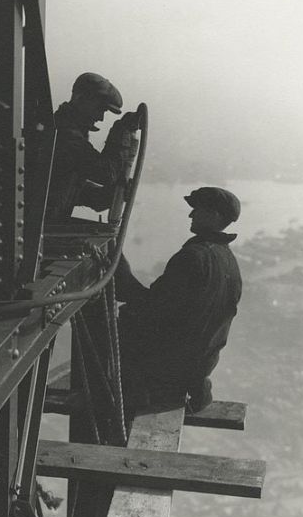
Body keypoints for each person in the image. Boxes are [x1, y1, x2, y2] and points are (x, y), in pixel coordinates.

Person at [115, 186, 242, 414]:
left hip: (171, 368)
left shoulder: (193, 258)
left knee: (122, 320)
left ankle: (113, 395)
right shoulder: (227, 259)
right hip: (199, 365)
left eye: (197, 210)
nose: (190, 215)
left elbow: (151, 309)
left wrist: (121, 272)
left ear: (214, 215)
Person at [46, 72, 135, 220]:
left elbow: (71, 190)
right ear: (81, 99)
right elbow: (107, 173)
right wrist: (121, 133)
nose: (100, 118)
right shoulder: (65, 136)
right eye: (100, 109)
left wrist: (111, 195)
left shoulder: (61, 129)